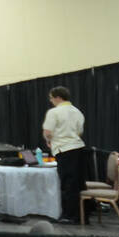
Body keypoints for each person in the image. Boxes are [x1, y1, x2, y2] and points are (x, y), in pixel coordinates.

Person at [43, 85, 87, 223]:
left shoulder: (54, 113)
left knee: (67, 184)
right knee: (77, 184)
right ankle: (80, 215)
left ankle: (69, 216)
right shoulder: (77, 111)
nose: (51, 101)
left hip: (64, 150)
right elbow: (79, 131)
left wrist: (49, 141)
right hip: (79, 149)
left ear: (58, 97)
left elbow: (48, 132)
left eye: (51, 98)